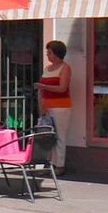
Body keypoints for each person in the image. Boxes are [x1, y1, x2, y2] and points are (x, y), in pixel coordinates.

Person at [36, 40, 73, 168]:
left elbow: (62, 88)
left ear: (57, 54)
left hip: (61, 106)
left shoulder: (65, 68)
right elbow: (41, 90)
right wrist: (41, 105)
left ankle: (59, 165)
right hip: (47, 106)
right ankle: (49, 163)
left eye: (50, 52)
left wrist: (44, 86)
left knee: (60, 136)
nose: (47, 55)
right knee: (48, 136)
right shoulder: (47, 68)